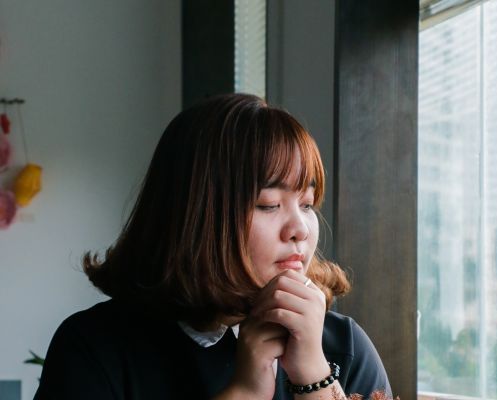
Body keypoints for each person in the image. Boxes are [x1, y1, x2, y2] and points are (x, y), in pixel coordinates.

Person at [34, 93, 391, 400]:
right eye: (268, 204)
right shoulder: (96, 347)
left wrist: (314, 377)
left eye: (307, 204)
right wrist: (245, 392)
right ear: (195, 214)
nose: (300, 229)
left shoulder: (344, 345)